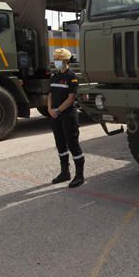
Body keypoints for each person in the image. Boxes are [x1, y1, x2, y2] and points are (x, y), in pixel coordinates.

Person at [48, 48, 84, 188]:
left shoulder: (71, 76)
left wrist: (58, 110)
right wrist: (50, 110)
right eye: (55, 59)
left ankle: (79, 175)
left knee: (73, 144)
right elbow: (50, 95)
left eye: (58, 59)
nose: (55, 62)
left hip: (68, 115)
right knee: (60, 144)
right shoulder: (54, 76)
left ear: (65, 61)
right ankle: (65, 172)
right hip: (55, 115)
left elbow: (71, 98)